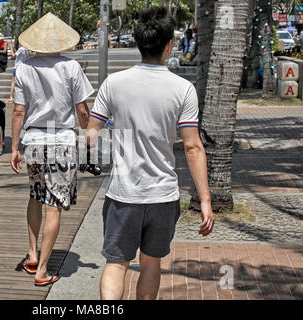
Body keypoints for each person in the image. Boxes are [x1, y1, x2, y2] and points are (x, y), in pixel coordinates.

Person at [86, 7, 214, 300]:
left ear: (138, 43)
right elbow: (193, 146)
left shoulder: (113, 84)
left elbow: (91, 136)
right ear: (169, 45)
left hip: (123, 195)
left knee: (116, 264)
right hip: (163, 196)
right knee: (151, 264)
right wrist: (205, 201)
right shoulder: (183, 89)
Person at [11, 12, 94, 287]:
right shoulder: (71, 67)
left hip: (33, 143)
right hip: (62, 144)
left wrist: (14, 147)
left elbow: (18, 111)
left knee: (36, 196)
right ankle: (42, 271)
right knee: (54, 206)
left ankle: (33, 255)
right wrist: (90, 135)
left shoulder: (24, 68)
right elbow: (82, 110)